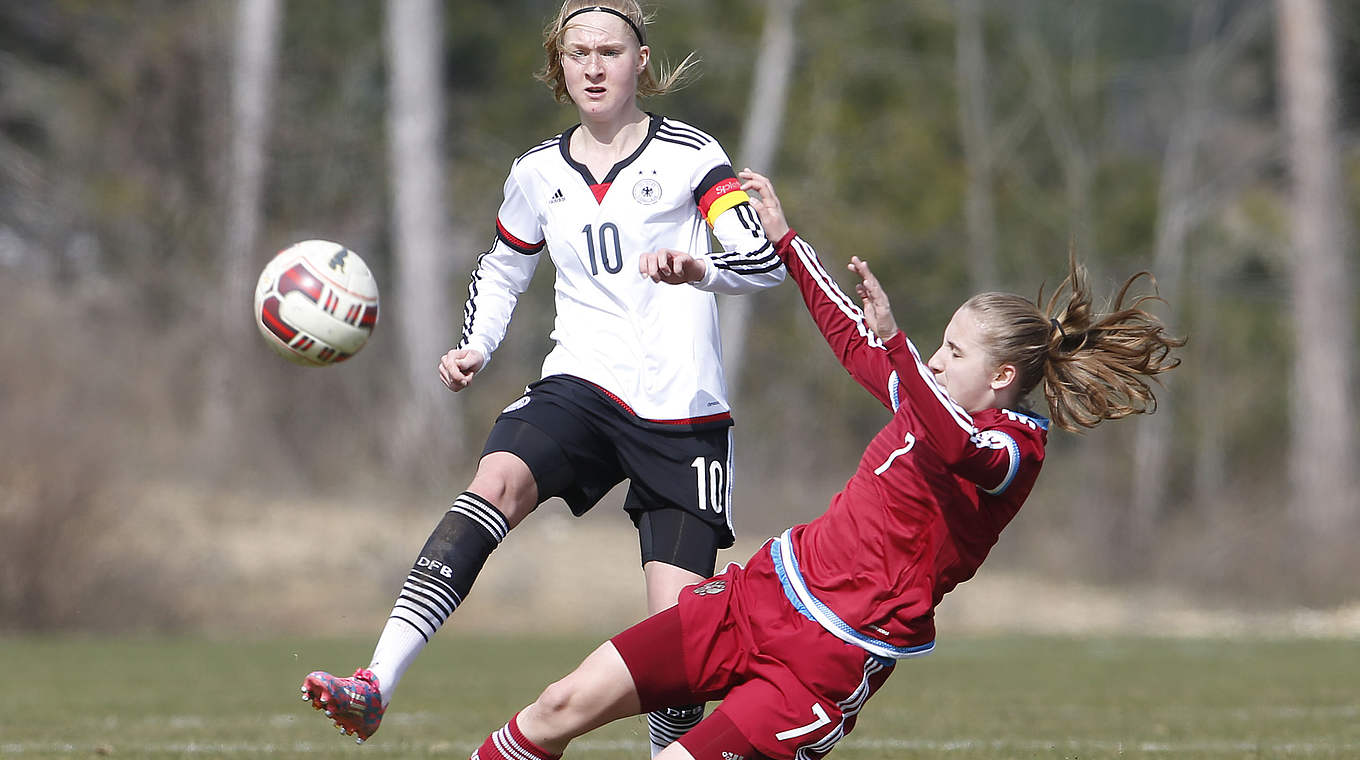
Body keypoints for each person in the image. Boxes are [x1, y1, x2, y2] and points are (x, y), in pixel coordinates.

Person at [460, 169, 1185, 760]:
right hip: (762, 595)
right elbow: (851, 339)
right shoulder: (923, 393)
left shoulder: (1013, 451)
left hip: (827, 662)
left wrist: (900, 346)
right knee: (558, 706)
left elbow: (955, 447)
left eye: (955, 353)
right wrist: (785, 240)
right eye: (939, 344)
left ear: (1001, 380)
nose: (935, 358)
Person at [300, 1, 783, 748]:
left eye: (611, 52)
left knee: (674, 640)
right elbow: (503, 269)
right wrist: (478, 346)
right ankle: (376, 681)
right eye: (578, 52)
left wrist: (699, 268)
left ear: (641, 63)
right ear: (559, 65)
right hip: (580, 386)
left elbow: (761, 264)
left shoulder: (692, 154)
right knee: (492, 482)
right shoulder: (535, 172)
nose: (594, 66)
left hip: (681, 410)